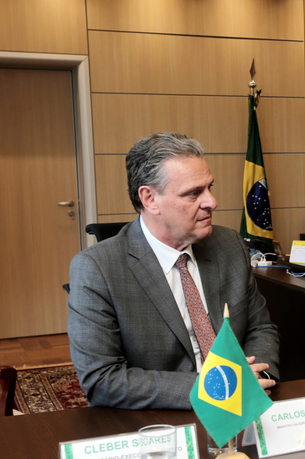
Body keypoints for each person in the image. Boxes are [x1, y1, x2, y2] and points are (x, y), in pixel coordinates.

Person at [68, 133, 280, 410]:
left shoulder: (229, 245)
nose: (212, 202)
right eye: (193, 193)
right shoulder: (96, 268)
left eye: (209, 188)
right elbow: (101, 379)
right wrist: (215, 389)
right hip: (160, 417)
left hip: (244, 403)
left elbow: (259, 328)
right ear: (150, 199)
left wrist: (256, 378)